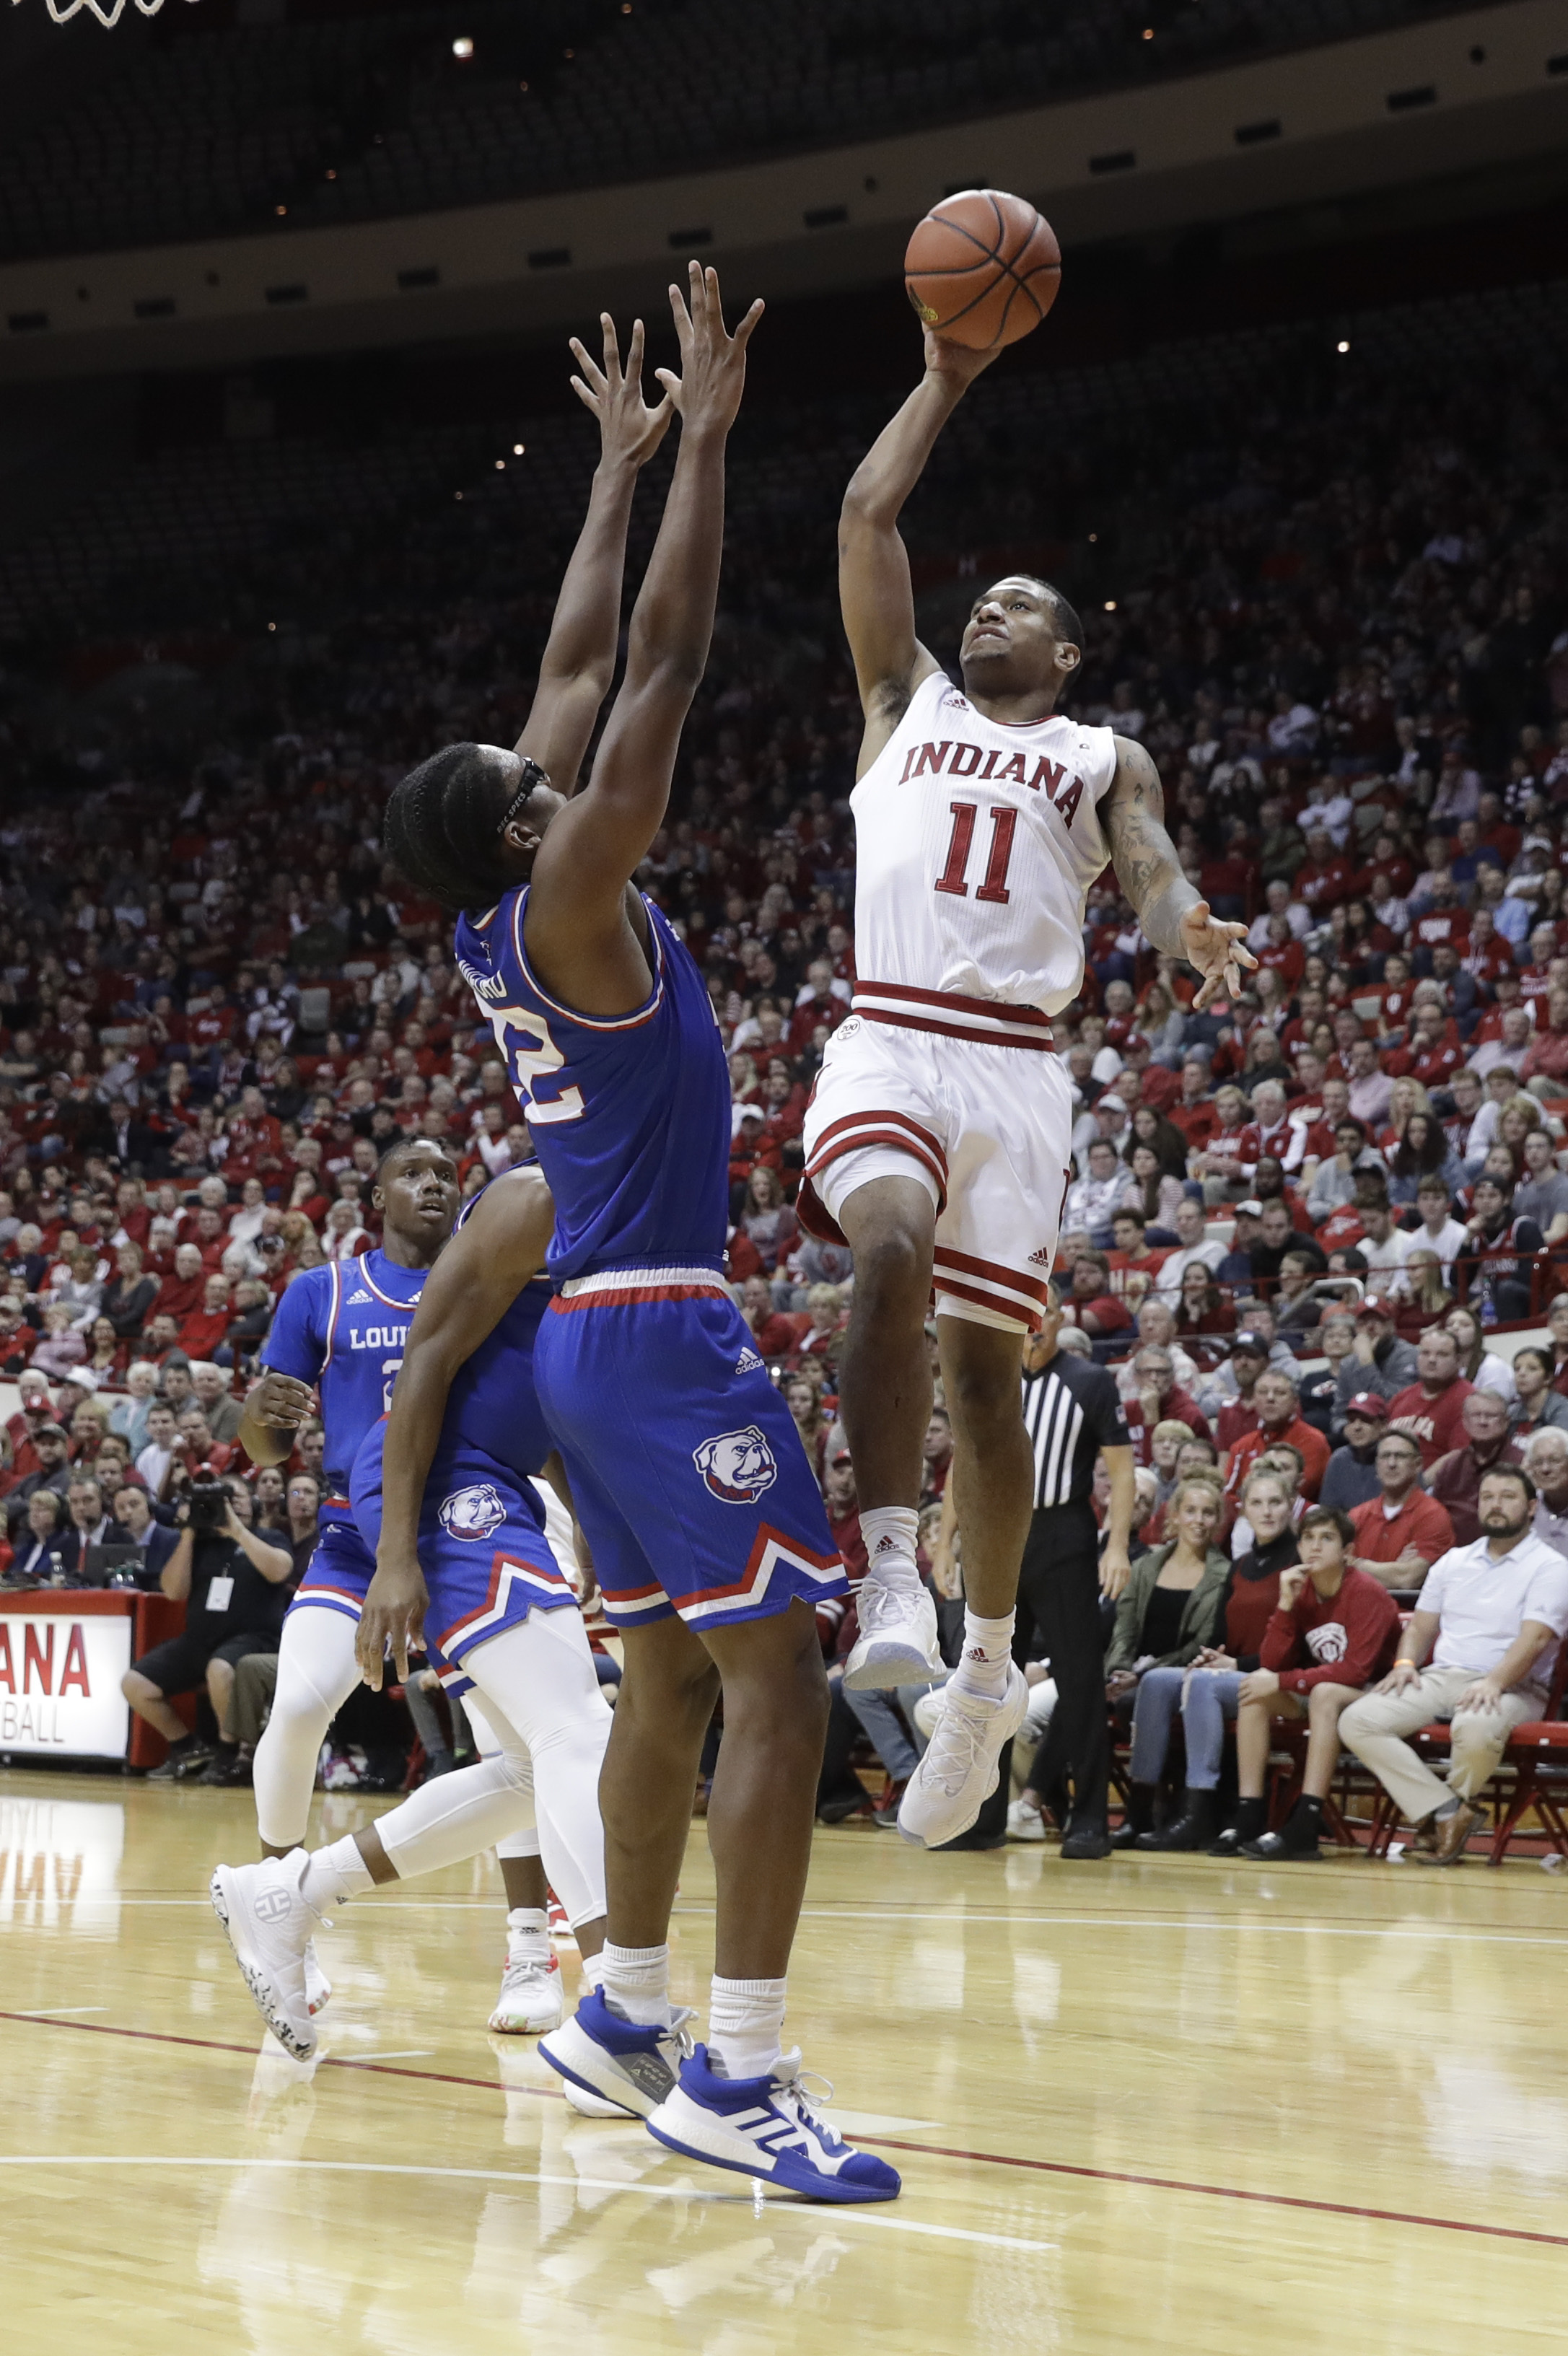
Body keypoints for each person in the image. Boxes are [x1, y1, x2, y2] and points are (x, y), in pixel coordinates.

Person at [375, 272, 895, 2203]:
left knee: (672, 1681)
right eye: (534, 779)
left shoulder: (499, 904)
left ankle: (613, 2007)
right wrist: (723, 449)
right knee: (780, 1684)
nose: (553, 754)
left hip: (599, 1336)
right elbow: (660, 668)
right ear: (527, 834)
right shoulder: (580, 894)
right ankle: (733, 2072)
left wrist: (611, 466)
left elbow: (578, 660)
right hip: (664, 1334)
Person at [793, 297, 1253, 1862]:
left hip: (1017, 1071)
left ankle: (988, 1682)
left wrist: (1181, 925)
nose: (984, 614)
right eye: (975, 601)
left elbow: (1149, 867)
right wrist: (939, 376)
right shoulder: (897, 703)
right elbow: (864, 513)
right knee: (886, 1243)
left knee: (990, 1386)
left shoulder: (1098, 752)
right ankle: (888, 1572)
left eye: (1016, 608)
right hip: (890, 1029)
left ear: (1065, 654)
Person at [1339, 1465, 1568, 1863]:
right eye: (1488, 1497)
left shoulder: (1552, 1567)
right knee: (1357, 1719)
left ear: (1532, 1507)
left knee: (1475, 1725)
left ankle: (1445, 1815)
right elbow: (1421, 1627)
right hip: (1442, 1676)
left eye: (1508, 1497)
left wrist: (1494, 1683)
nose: (1496, 1506)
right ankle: (1448, 1812)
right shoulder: (1454, 1562)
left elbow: (1534, 1641)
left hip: (1516, 1687)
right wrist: (1406, 1663)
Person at [1007, 1282, 1134, 1858]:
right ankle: (979, 1817)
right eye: (1024, 1312)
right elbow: (965, 1459)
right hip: (1001, 1535)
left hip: (1065, 1534)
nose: (1033, 1323)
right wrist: (951, 1542)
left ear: (1058, 1318)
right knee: (987, 1679)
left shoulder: (1089, 1380)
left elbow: (1123, 1470)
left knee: (1081, 1682)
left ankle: (1088, 1822)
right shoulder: (995, 1376)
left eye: (1043, 1312)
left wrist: (1117, 1545)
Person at [1117, 1466, 1298, 1851]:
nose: (1266, 1512)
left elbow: (1297, 1644)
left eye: (1275, 1503)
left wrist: (1235, 1664)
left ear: (1292, 1506)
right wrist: (1212, 1656)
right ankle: (1139, 1809)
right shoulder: (1242, 1564)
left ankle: (1197, 1809)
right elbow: (1217, 1635)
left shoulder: (1299, 1562)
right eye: (1257, 1503)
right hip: (1232, 1673)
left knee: (1202, 1683)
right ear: (1245, 1511)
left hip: (1275, 1678)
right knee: (1158, 1680)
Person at [1214, 1506, 1401, 1860]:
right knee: (1255, 1690)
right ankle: (1250, 1812)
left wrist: (1284, 1680)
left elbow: (1356, 1671)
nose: (1315, 1547)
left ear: (1348, 1552)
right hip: (1322, 1688)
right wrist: (1284, 1604)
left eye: (1327, 1539)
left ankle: (1306, 1820)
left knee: (1324, 1694)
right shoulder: (1299, 1589)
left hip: (1379, 1692)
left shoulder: (1367, 1592)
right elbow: (1270, 1663)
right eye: (1308, 1539)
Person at [123, 1479, 294, 1782]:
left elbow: (281, 1570)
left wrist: (238, 1533)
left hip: (255, 1638)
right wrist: (188, 1533)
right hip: (200, 1639)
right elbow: (174, 1591)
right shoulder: (200, 1544)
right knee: (135, 1684)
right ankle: (188, 1749)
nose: (230, 1504)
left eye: (236, 1496)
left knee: (220, 1668)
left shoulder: (268, 1536)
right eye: (223, 1500)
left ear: (252, 1503)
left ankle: (228, 1753)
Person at [1105, 1475, 1231, 1841]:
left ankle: (1142, 1810)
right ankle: (1072, 1809)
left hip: (1182, 1675)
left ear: (1218, 1520)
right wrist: (1119, 1670)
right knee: (1086, 1702)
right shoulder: (1145, 1566)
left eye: (1208, 1513)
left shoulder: (1223, 1574)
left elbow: (1202, 1643)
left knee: (1138, 1697)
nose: (1199, 1520)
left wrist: (1142, 1676)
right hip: (1132, 1673)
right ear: (1173, 1516)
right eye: (1190, 1511)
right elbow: (1123, 1629)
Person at [1346, 1431, 1455, 1590]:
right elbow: (1336, 1569)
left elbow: (1408, 1579)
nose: (1391, 1464)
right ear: (1376, 1465)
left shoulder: (1433, 1515)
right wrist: (1394, 1568)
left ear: (1417, 1465)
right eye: (1385, 1456)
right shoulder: (1357, 1515)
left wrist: (1356, 1564)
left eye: (1401, 1456)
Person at [1426, 1387, 1523, 1546]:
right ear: (1465, 1422)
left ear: (1506, 1422)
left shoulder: (1521, 1464)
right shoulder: (1451, 1465)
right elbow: (1433, 1514)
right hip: (1451, 1553)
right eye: (1476, 1415)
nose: (1483, 1422)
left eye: (1491, 1416)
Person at [1385, 1328, 1475, 1468]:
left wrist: (1422, 1483)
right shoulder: (1401, 1397)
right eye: (1425, 1353)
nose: (1432, 1360)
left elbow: (1460, 1456)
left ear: (1458, 1361)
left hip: (1436, 1486)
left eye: (1442, 1355)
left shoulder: (1468, 1400)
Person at [112, 1481, 181, 1584]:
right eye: (121, 1508)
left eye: (134, 1505)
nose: (128, 1512)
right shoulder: (116, 1541)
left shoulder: (172, 1539)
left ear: (149, 1507)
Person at [1508, 1346, 1568, 1441]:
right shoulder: (1512, 1412)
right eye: (1517, 1369)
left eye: (1532, 1369)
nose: (1522, 1373)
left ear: (1548, 1378)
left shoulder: (1563, 1410)